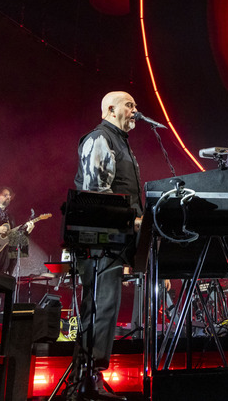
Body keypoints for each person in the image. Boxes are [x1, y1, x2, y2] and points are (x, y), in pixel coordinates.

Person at [72, 91, 144, 401]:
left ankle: (88, 381)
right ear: (110, 109)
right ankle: (87, 382)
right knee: (101, 306)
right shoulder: (101, 138)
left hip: (114, 239)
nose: (135, 110)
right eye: (130, 105)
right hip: (100, 240)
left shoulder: (121, 142)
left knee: (105, 306)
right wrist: (134, 220)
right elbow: (96, 195)